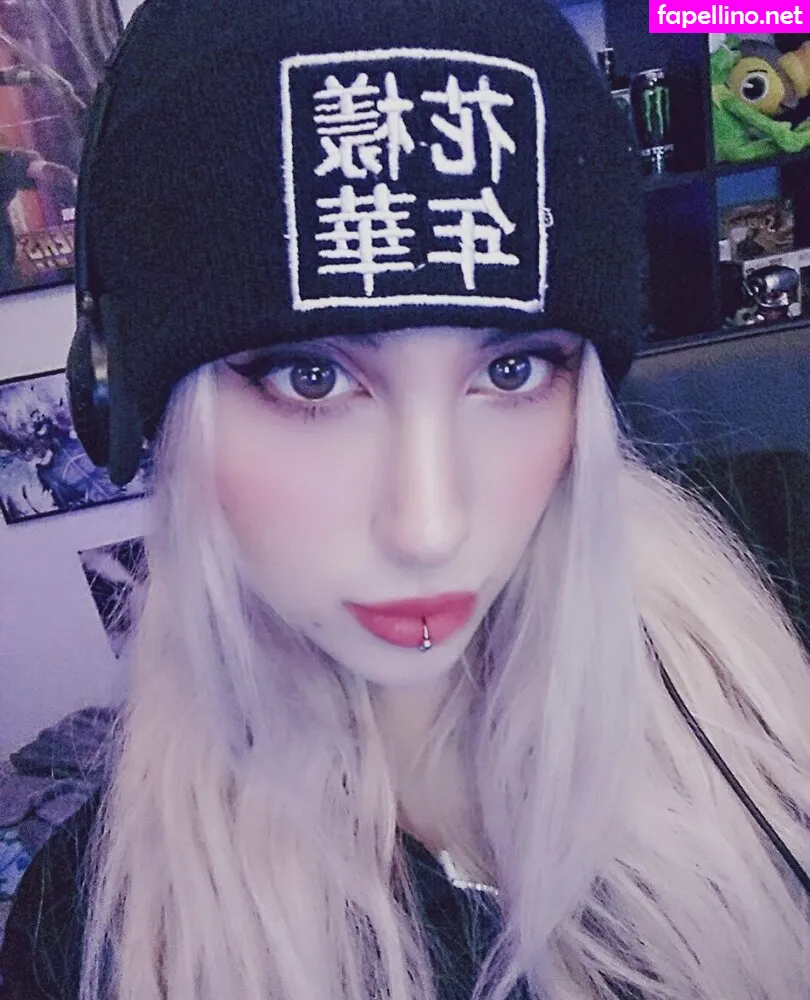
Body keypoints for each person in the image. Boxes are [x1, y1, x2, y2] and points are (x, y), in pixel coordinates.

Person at [1, 0, 809, 998]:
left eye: (512, 371)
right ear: (132, 402)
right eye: (311, 379)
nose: (430, 529)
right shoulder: (92, 932)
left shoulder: (786, 550)